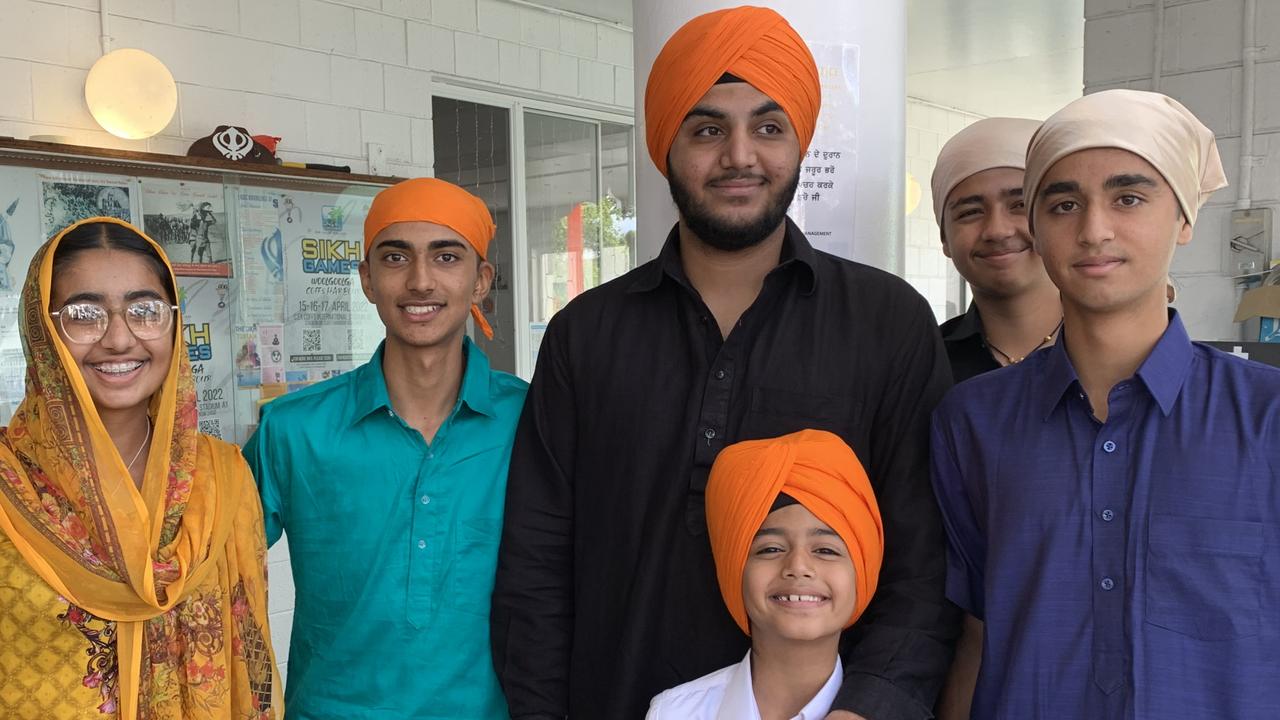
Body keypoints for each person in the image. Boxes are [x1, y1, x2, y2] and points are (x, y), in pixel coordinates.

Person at [492, 6, 958, 719]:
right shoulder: (586, 334)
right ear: (665, 146)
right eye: (708, 128)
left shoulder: (885, 322)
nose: (740, 155)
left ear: (800, 142)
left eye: (768, 128)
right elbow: (536, 564)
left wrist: (869, 706)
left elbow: (920, 560)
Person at [931, 89, 1280, 719]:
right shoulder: (972, 421)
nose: (1094, 230)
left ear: (1183, 218)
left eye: (1129, 198)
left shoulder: (1265, 417)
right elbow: (976, 635)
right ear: (1038, 227)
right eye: (1064, 204)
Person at [244, 178, 527, 719]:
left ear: (481, 281)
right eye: (396, 258)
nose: (420, 281)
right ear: (367, 279)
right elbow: (209, 569)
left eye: (446, 256)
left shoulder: (533, 422)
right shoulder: (294, 430)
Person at [0, 217, 279, 720]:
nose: (119, 339)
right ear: (42, 328)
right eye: (84, 314)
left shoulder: (221, 475)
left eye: (144, 310)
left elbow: (247, 646)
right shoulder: (9, 483)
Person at [647, 429, 884, 720]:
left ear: (863, 570)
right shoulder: (675, 713)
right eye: (770, 549)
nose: (798, 567)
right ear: (735, 569)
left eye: (825, 550)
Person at [932, 118, 1063, 383]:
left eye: (1020, 205)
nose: (997, 230)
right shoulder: (925, 363)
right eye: (970, 212)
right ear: (945, 238)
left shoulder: (1116, 349)